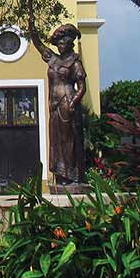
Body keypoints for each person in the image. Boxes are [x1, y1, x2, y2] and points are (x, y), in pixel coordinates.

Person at [28, 21, 87, 184]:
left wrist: (73, 103)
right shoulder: (52, 60)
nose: (61, 46)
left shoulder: (74, 63)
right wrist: (32, 28)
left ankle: (73, 175)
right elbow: (38, 44)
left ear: (70, 44)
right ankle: (60, 174)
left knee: (69, 140)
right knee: (56, 140)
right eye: (59, 43)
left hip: (67, 101)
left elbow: (82, 87)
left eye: (64, 43)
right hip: (54, 104)